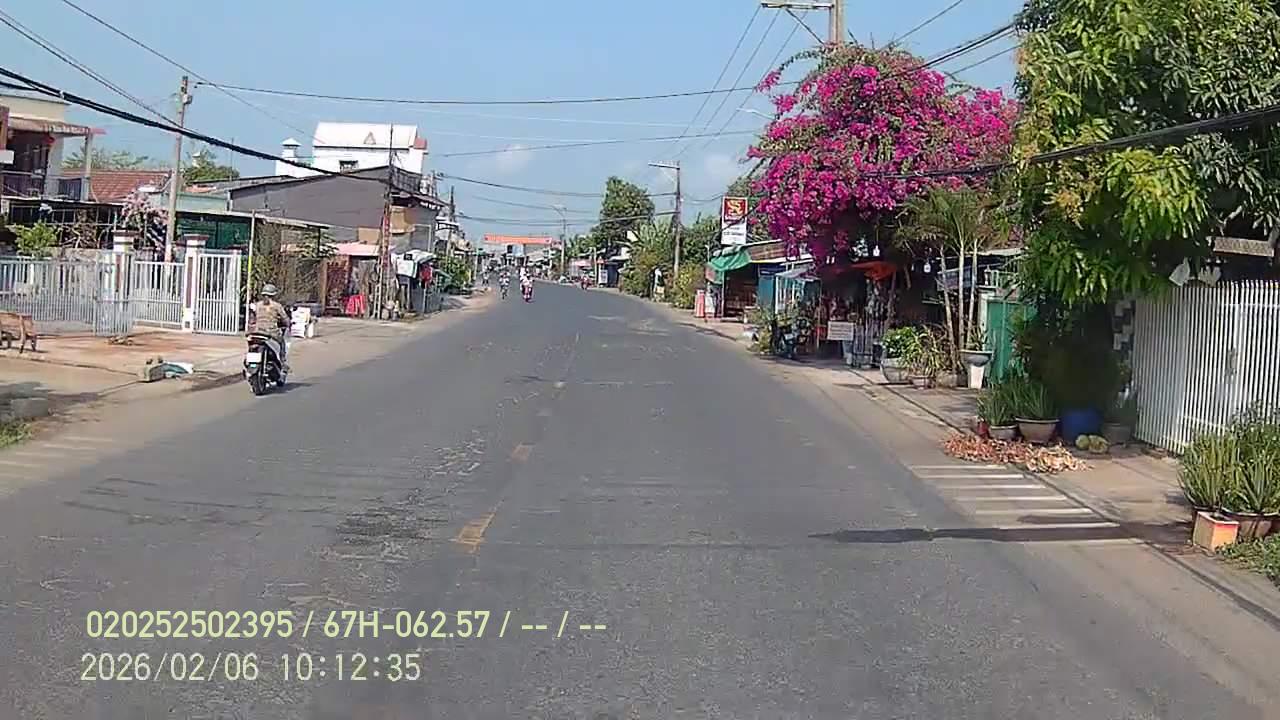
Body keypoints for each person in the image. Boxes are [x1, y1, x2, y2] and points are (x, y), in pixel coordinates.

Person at [249, 283, 290, 364]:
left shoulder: (257, 305)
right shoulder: (277, 306)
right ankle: (282, 361)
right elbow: (285, 319)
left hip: (257, 332)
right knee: (282, 342)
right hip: (271, 332)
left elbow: (252, 319)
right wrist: (288, 324)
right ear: (273, 295)